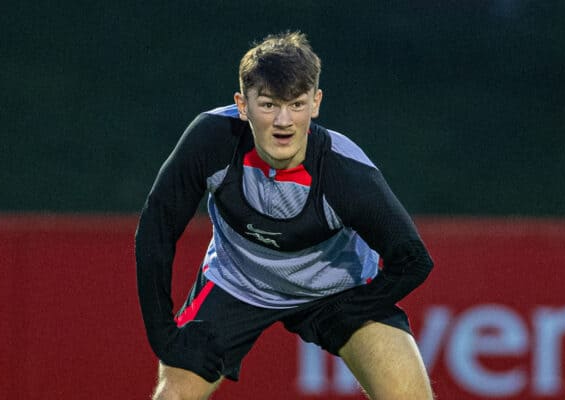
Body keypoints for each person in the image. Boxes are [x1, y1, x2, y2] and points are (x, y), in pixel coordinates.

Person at [135, 31, 435, 400]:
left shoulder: (346, 174)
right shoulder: (211, 140)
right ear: (242, 105)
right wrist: (164, 338)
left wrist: (355, 309)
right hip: (238, 284)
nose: (283, 121)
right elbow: (156, 230)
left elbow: (414, 259)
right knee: (172, 398)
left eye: (296, 104)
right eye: (268, 104)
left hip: (337, 290)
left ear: (316, 103)